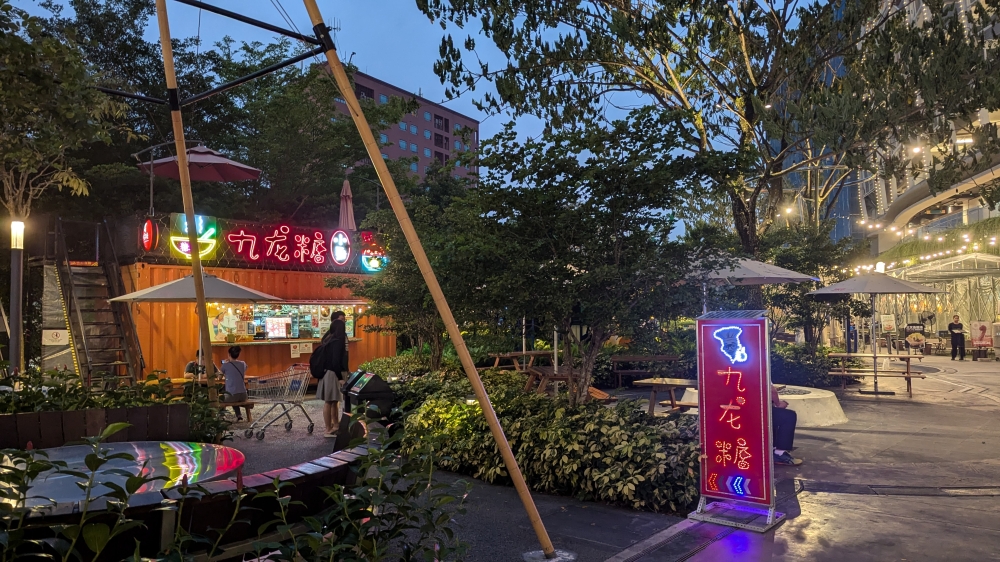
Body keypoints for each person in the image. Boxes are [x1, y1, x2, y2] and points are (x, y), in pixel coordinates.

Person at [316, 311, 348, 438]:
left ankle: (335, 425)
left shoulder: (329, 337)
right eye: (342, 321)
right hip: (333, 372)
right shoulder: (336, 339)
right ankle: (328, 429)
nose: (344, 323)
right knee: (330, 401)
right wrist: (340, 377)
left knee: (334, 400)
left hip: (330, 372)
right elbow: (335, 360)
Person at [772, 385, 802, 466]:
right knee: (788, 416)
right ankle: (779, 454)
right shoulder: (761, 371)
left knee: (773, 414)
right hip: (756, 411)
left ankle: (773, 448)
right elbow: (771, 390)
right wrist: (778, 403)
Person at [220, 346, 249, 421]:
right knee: (234, 394)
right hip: (243, 395)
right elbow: (244, 368)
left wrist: (225, 364)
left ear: (229, 354)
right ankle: (238, 415)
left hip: (232, 396)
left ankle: (221, 416)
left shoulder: (225, 365)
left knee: (220, 398)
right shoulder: (243, 364)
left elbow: (219, 377)